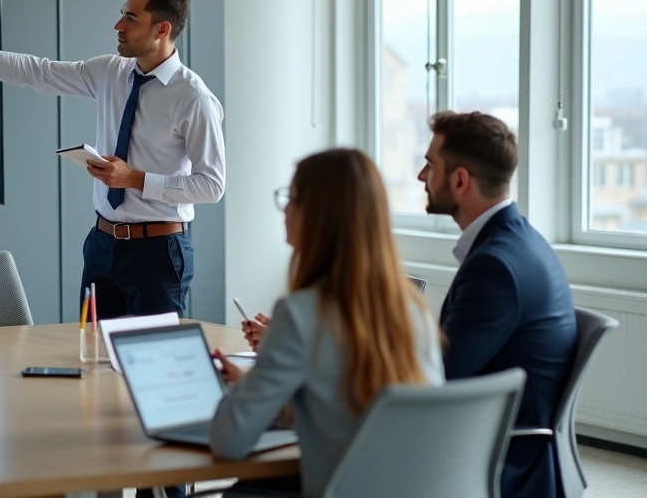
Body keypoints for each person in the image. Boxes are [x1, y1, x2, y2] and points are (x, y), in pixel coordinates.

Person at [0, 0, 225, 324]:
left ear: (162, 29)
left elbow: (211, 186)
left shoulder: (193, 98)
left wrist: (134, 179)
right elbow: (42, 73)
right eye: (122, 15)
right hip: (102, 246)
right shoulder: (111, 71)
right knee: (93, 355)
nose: (118, 26)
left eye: (131, 19)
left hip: (159, 251)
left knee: (149, 361)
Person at [209, 148, 444, 497]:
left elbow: (227, 439)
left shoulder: (299, 314)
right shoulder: (415, 311)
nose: (285, 209)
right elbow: (355, 410)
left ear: (319, 215)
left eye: (292, 198)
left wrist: (244, 389)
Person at [419, 111, 577, 498]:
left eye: (429, 166)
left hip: (497, 461)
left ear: (460, 180)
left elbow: (437, 381)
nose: (421, 177)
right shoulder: (517, 240)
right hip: (494, 438)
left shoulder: (495, 266)